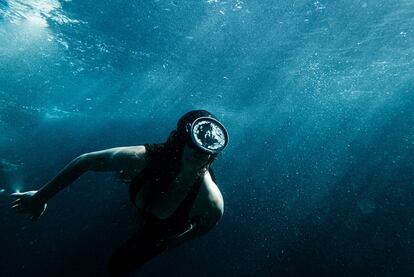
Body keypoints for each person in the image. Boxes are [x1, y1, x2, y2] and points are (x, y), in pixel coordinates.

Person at [11, 110, 229, 276]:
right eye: (197, 143)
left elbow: (206, 225)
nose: (202, 152)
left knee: (118, 266)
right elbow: (84, 161)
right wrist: (40, 197)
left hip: (161, 231)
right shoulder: (144, 158)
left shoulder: (210, 200)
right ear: (181, 139)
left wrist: (177, 241)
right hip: (145, 198)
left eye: (209, 148)